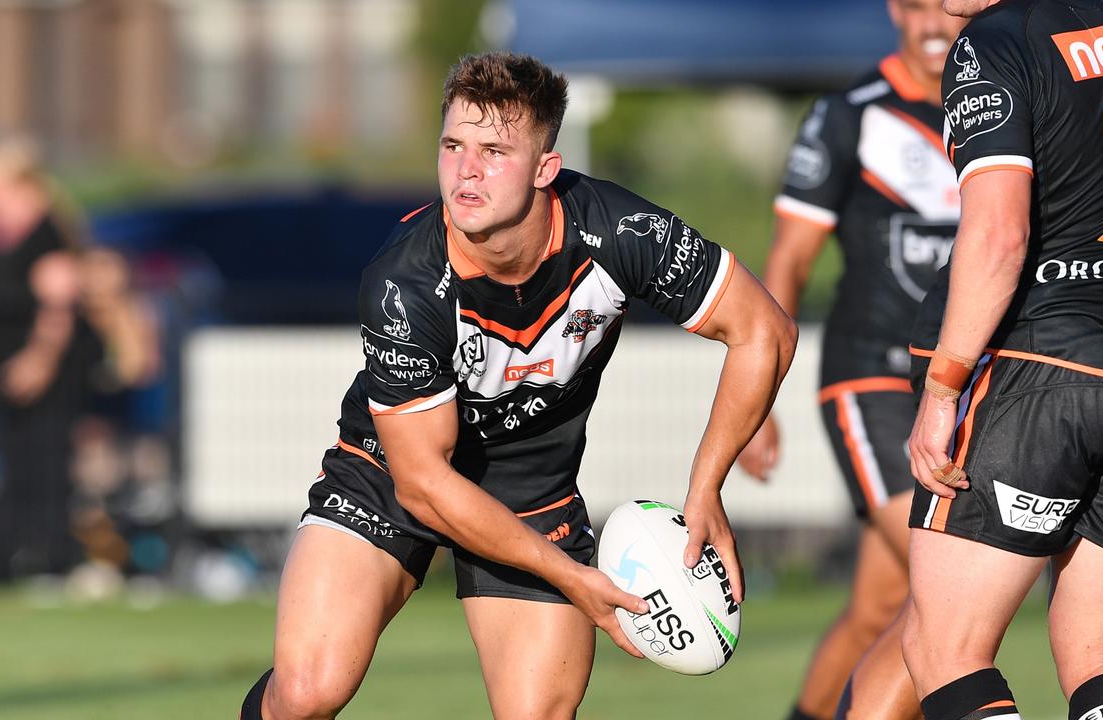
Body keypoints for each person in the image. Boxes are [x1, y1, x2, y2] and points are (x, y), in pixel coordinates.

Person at [239, 52, 798, 720]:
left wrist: (706, 488)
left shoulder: (619, 232)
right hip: (388, 474)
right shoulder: (404, 283)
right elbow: (423, 482)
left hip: (533, 491)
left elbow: (764, 330)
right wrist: (569, 576)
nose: (466, 170)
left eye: (494, 151)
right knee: (307, 693)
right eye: (453, 145)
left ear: (544, 169)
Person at [898, 1, 1103, 719]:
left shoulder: (993, 40)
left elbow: (999, 233)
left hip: (1039, 369)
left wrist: (944, 387)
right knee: (1100, 657)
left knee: (945, 652)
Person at [736, 2, 966, 717]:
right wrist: (757, 396)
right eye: (919, 5)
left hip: (968, 387)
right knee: (952, 584)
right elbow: (789, 261)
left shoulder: (1006, 104)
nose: (934, 25)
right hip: (872, 378)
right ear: (896, 9)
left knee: (882, 609)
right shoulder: (850, 114)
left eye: (949, 7)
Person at [0, 136, 101, 580]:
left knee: (44, 454)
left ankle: (52, 556)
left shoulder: (47, 229)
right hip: (0, 354)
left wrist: (38, 361)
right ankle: (9, 553)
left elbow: (58, 305)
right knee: (9, 456)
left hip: (47, 359)